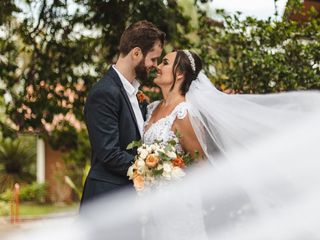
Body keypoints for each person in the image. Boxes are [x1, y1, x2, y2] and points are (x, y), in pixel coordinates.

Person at [80, 20, 165, 209]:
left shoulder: (139, 97)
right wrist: (154, 168)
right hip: (106, 200)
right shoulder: (105, 92)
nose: (155, 66)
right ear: (136, 53)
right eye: (153, 59)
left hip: (129, 201)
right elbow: (109, 152)